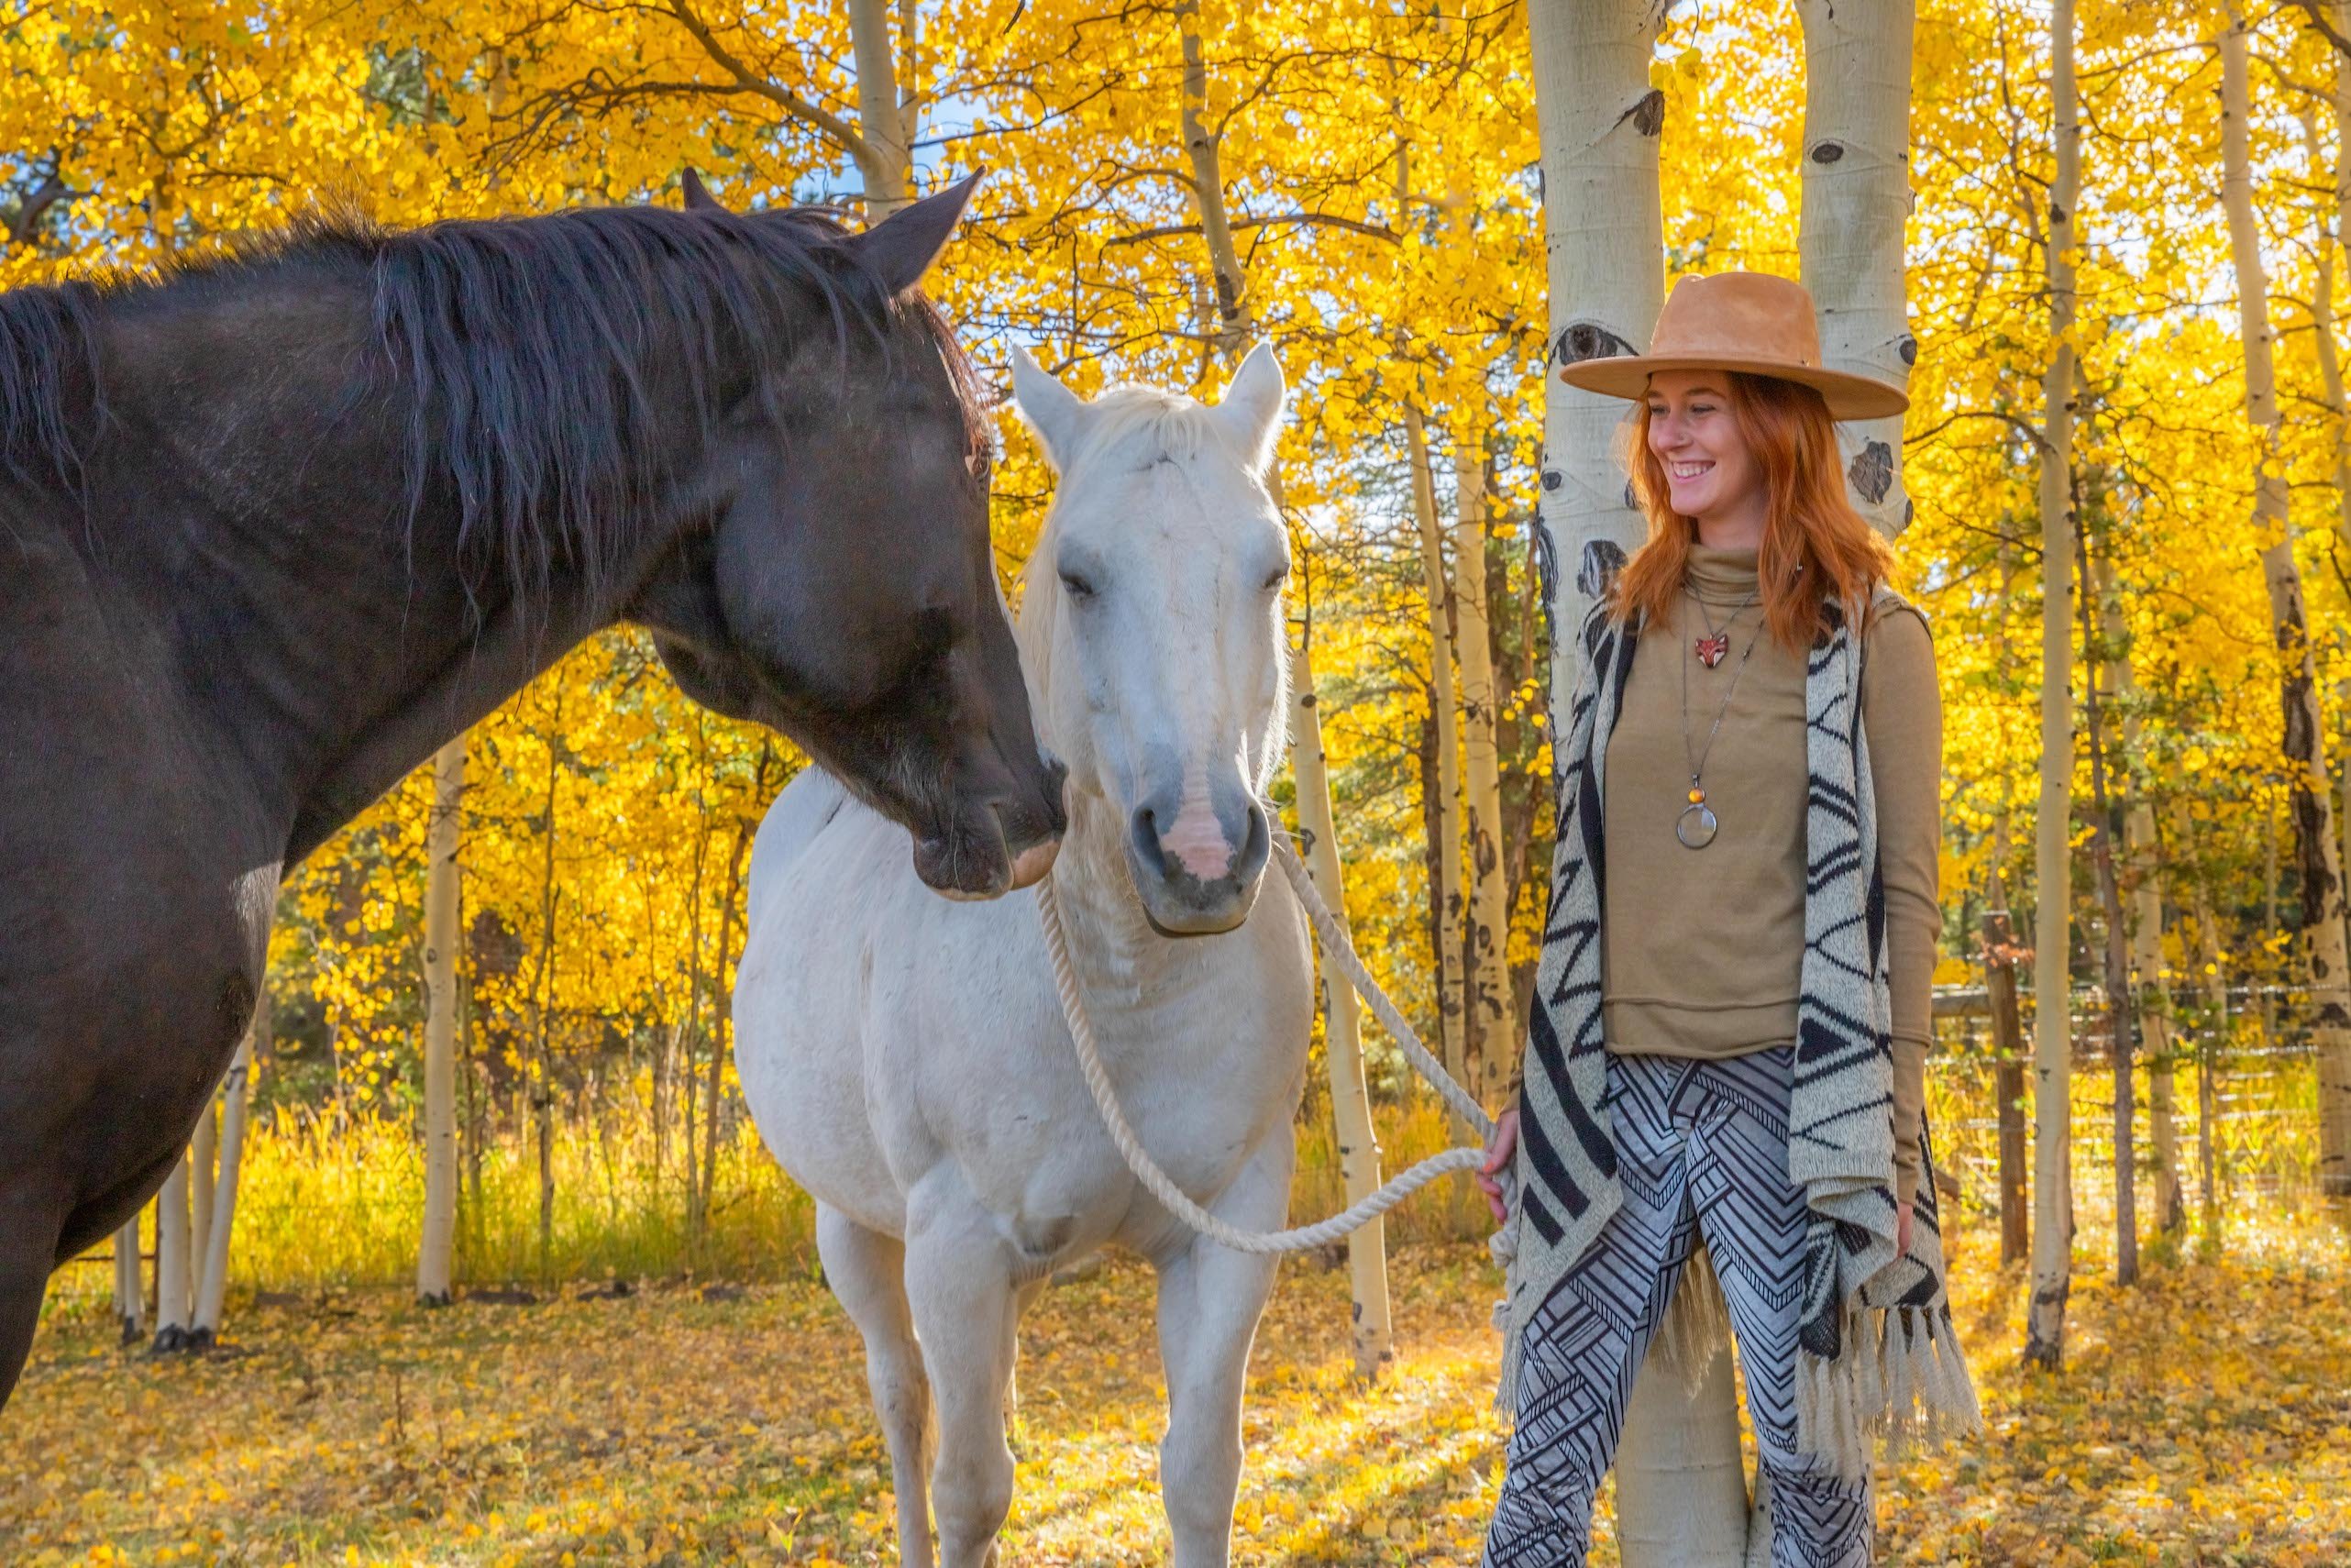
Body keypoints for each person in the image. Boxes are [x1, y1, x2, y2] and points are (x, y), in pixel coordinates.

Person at [1474, 271, 1979, 1567]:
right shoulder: (1613, 626)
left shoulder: (1876, 634)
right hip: (1616, 1097)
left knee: (1814, 1479)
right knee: (1540, 1474)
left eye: (1703, 406)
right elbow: (1586, 888)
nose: (1670, 434)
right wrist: (1541, 1091)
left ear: (1777, 424)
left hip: (1791, 1106)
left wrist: (1899, 1149)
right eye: (1657, 410)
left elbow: (1905, 902)